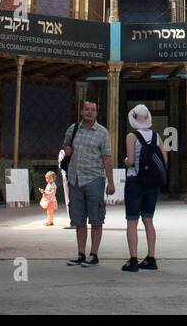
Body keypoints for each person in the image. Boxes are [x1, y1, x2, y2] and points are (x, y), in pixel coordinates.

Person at [61, 99, 114, 266]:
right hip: (75, 179)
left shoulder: (102, 133)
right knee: (78, 220)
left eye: (93, 110)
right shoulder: (73, 128)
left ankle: (94, 254)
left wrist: (110, 182)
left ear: (96, 113)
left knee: (96, 218)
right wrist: (66, 149)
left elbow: (107, 158)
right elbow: (65, 146)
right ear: (82, 111)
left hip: (94, 179)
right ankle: (81, 253)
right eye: (86, 109)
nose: (89, 112)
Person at [121, 103, 164, 272]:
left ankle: (133, 260)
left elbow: (130, 161)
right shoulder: (156, 136)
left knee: (132, 221)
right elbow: (164, 160)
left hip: (135, 182)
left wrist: (125, 161)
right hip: (152, 184)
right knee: (148, 220)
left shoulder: (131, 137)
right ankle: (151, 258)